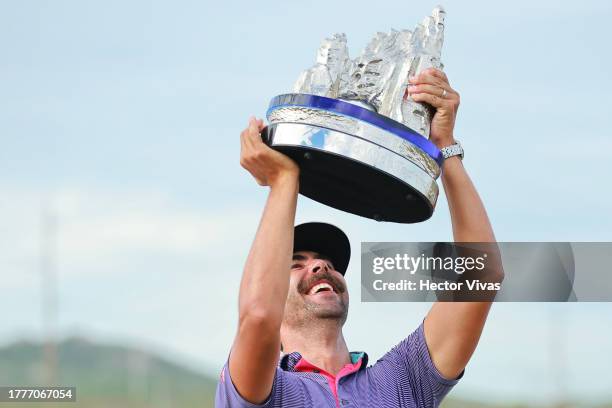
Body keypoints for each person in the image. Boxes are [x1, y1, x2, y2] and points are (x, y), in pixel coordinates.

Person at [216, 68, 500, 407]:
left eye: (329, 262)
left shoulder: (402, 380)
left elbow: (481, 274)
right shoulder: (262, 391)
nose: (321, 265)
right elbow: (260, 314)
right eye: (295, 264)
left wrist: (444, 147)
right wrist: (284, 180)